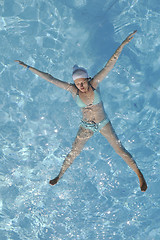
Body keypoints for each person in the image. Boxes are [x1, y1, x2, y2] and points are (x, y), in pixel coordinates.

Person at [15, 30, 147, 192]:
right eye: (77, 84)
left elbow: (109, 65)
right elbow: (50, 78)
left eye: (82, 82)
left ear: (87, 78)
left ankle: (138, 173)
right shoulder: (73, 90)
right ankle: (59, 175)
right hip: (86, 126)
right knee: (74, 152)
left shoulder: (95, 84)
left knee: (119, 149)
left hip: (103, 123)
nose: (80, 86)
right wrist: (28, 67)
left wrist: (122, 45)